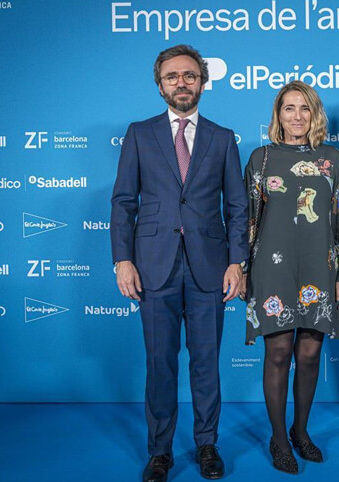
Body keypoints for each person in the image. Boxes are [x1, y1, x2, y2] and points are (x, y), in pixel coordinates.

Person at [110, 44, 247, 482]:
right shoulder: (139, 133)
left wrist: (237, 262)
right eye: (173, 77)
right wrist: (123, 260)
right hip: (153, 267)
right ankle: (160, 453)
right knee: (160, 363)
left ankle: (207, 446)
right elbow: (123, 203)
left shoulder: (223, 138)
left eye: (190, 75)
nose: (182, 83)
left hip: (210, 267)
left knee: (206, 363)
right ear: (160, 84)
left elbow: (238, 207)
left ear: (203, 82)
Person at [242, 80, 339, 474]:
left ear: (314, 114)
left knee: (309, 354)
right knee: (277, 353)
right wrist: (242, 271)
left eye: (304, 108)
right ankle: (278, 440)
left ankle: (300, 432)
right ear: (278, 115)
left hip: (319, 268)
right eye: (288, 108)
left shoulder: (331, 159)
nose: (296, 116)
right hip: (271, 270)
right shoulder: (260, 159)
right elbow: (248, 222)